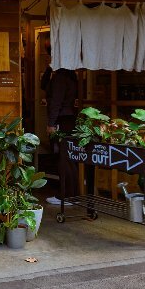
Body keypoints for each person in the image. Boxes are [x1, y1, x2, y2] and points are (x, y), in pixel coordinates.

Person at [46, 68, 79, 199]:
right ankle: (71, 193)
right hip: (69, 119)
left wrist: (51, 124)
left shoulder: (60, 78)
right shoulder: (71, 76)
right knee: (69, 157)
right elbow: (44, 85)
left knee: (64, 158)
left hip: (62, 119)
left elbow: (56, 102)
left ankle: (65, 195)